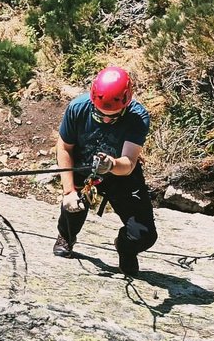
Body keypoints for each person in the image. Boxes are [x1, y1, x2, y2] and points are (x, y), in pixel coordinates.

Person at [53, 66, 156, 277]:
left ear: (126, 103)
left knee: (144, 234)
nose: (107, 119)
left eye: (113, 116)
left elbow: (129, 162)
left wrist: (111, 165)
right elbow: (64, 147)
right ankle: (67, 235)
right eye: (100, 115)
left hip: (121, 174)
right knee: (73, 208)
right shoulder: (78, 108)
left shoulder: (138, 117)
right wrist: (68, 191)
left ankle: (126, 247)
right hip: (84, 169)